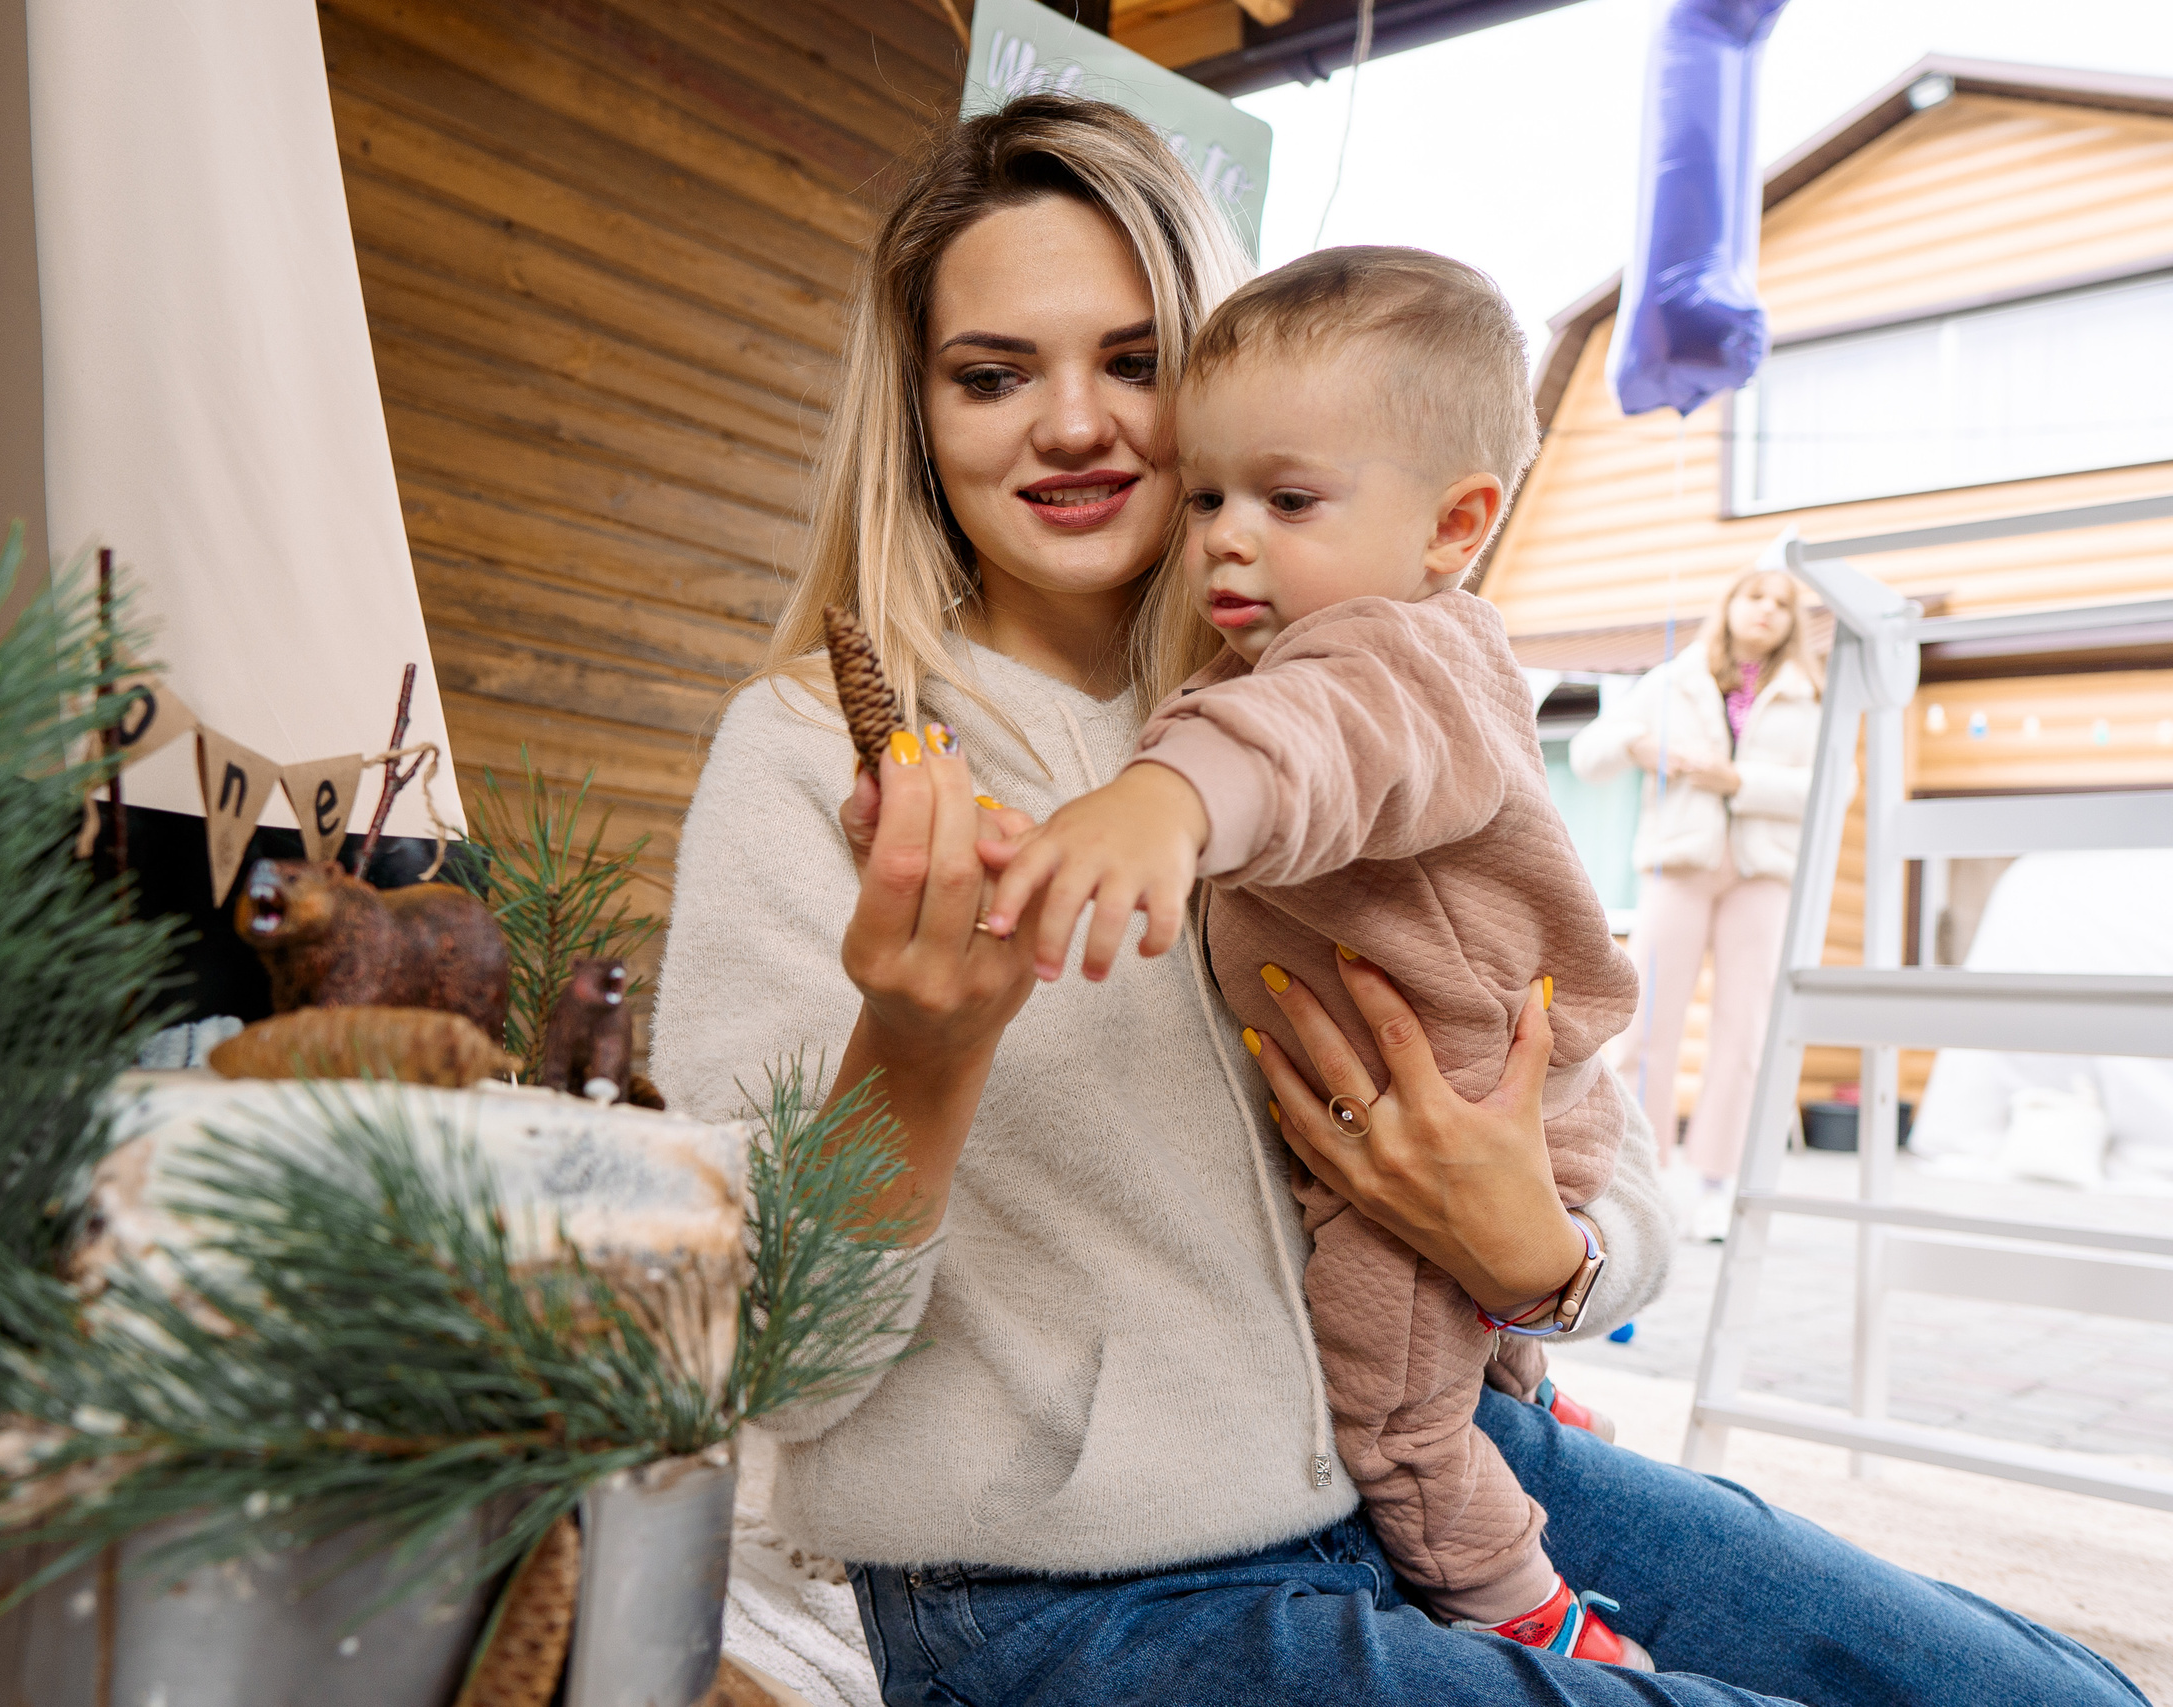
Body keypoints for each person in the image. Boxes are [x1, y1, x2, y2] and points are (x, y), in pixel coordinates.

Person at [651, 93, 2147, 1707]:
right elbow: (773, 1372)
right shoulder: (814, 757)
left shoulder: (1365, 684)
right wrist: (919, 1055)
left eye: (1136, 361)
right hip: (1077, 1581)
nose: (1072, 424)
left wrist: (1537, 1255)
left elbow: (1608, 1167)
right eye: (994, 373)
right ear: (921, 414)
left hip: (1442, 1459)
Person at [978, 247, 1646, 1665]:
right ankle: (1524, 1405)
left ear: (1456, 521)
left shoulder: (1391, 662)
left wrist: (1161, 801)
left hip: (1447, 1133)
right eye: (1208, 492)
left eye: (1286, 501)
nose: (1227, 535)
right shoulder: (1322, 658)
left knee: (1392, 1423)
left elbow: (1316, 753)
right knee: (1433, 1359)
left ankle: (1523, 1599)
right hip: (1468, 1129)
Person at [1570, 569, 1821, 1241]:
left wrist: (1735, 779)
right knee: (1646, 1025)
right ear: (1730, 606)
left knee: (1744, 1032)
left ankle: (1716, 1187)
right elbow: (1589, 752)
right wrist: (1637, 745)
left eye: (1780, 603)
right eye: (1754, 596)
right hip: (1679, 865)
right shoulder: (1670, 682)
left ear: (1792, 620)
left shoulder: (1808, 698)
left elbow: (1827, 790)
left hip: (1760, 876)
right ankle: (1638, 1177)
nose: (1766, 610)